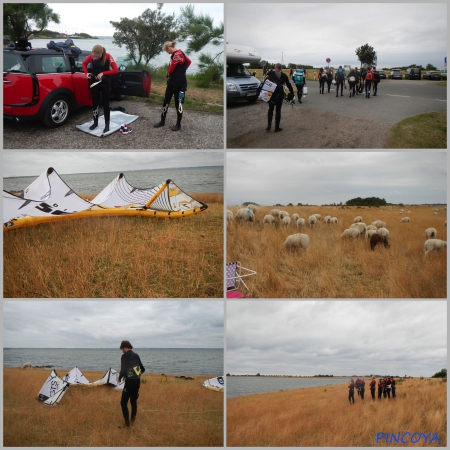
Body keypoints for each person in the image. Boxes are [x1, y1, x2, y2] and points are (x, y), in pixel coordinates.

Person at [154, 40, 191, 131]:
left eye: (167, 51)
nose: (167, 53)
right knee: (166, 101)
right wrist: (182, 71)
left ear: (169, 48)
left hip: (178, 84)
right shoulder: (180, 52)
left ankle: (178, 124)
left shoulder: (177, 55)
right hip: (174, 82)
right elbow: (189, 61)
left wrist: (178, 71)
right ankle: (162, 121)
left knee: (177, 104)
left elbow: (170, 70)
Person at [82, 45, 119, 133]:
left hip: (105, 83)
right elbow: (84, 64)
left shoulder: (108, 56)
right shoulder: (91, 56)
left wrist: (103, 73)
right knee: (95, 103)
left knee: (105, 104)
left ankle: (107, 125)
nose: (95, 57)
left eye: (97, 56)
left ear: (101, 53)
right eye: (94, 55)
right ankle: (95, 123)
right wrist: (86, 73)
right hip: (94, 83)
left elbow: (116, 70)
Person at [119, 340, 145, 428]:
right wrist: (137, 373)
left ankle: (127, 425)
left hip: (129, 382)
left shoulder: (124, 356)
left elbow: (123, 370)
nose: (122, 351)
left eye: (122, 349)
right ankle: (132, 422)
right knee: (133, 402)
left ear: (124, 347)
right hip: (137, 382)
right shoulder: (136, 355)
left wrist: (119, 378)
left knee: (123, 402)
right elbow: (143, 369)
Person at [263, 63, 294, 132]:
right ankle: (277, 128)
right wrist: (292, 93)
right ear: (281, 68)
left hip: (270, 94)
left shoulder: (270, 73)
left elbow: (265, 82)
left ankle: (269, 126)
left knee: (270, 109)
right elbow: (289, 85)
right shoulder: (284, 75)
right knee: (278, 110)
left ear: (275, 67)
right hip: (279, 95)